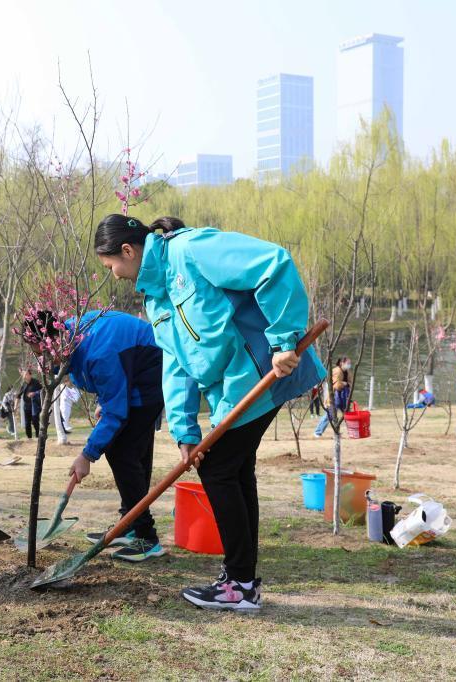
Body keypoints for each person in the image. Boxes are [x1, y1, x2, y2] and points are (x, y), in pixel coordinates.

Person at [94, 213, 323, 611]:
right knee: (231, 470)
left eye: (110, 265)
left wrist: (284, 339)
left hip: (264, 373)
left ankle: (239, 583)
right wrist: (184, 432)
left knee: (218, 469)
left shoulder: (191, 250)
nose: (113, 274)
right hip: (230, 394)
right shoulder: (155, 299)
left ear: (127, 251)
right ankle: (242, 580)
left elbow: (273, 263)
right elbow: (176, 365)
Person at [26, 310, 166, 563]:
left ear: (57, 340)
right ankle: (130, 522)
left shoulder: (99, 351)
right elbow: (109, 382)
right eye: (38, 354)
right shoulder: (70, 334)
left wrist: (87, 455)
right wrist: (107, 398)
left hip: (151, 376)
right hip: (131, 374)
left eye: (44, 352)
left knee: (122, 452)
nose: (42, 361)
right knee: (131, 452)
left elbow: (116, 410)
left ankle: (147, 537)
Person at [314, 357, 351, 437]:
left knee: (348, 414)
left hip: (343, 397)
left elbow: (350, 382)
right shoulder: (337, 371)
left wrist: (346, 384)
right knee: (329, 414)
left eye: (349, 363)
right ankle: (318, 431)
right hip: (334, 396)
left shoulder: (346, 372)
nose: (349, 365)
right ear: (342, 363)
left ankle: (351, 431)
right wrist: (344, 384)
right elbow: (337, 385)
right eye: (348, 363)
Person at [21, 369, 42, 439]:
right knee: (27, 423)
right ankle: (29, 438)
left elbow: (42, 390)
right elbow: (18, 395)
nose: (24, 376)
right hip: (26, 406)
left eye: (26, 374)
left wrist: (34, 393)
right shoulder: (23, 384)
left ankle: (37, 436)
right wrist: (15, 406)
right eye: (24, 374)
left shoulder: (36, 382)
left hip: (35, 405)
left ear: (30, 375)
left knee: (35, 421)